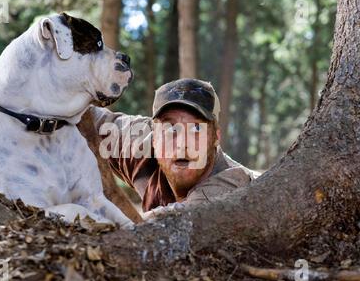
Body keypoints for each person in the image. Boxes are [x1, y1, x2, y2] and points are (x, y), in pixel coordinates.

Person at [90, 78, 259, 220]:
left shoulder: (229, 186)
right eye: (170, 129)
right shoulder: (141, 143)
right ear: (154, 136)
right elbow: (86, 117)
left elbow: (153, 229)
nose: (181, 144)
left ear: (216, 137)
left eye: (196, 129)